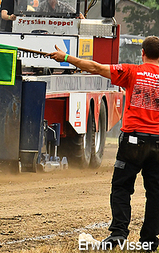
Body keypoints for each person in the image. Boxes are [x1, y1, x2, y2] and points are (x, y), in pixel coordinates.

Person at [47, 37, 159, 251]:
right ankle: (150, 240)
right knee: (155, 192)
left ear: (142, 53)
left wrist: (66, 57)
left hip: (133, 140)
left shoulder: (132, 71)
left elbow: (96, 67)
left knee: (122, 187)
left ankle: (118, 234)